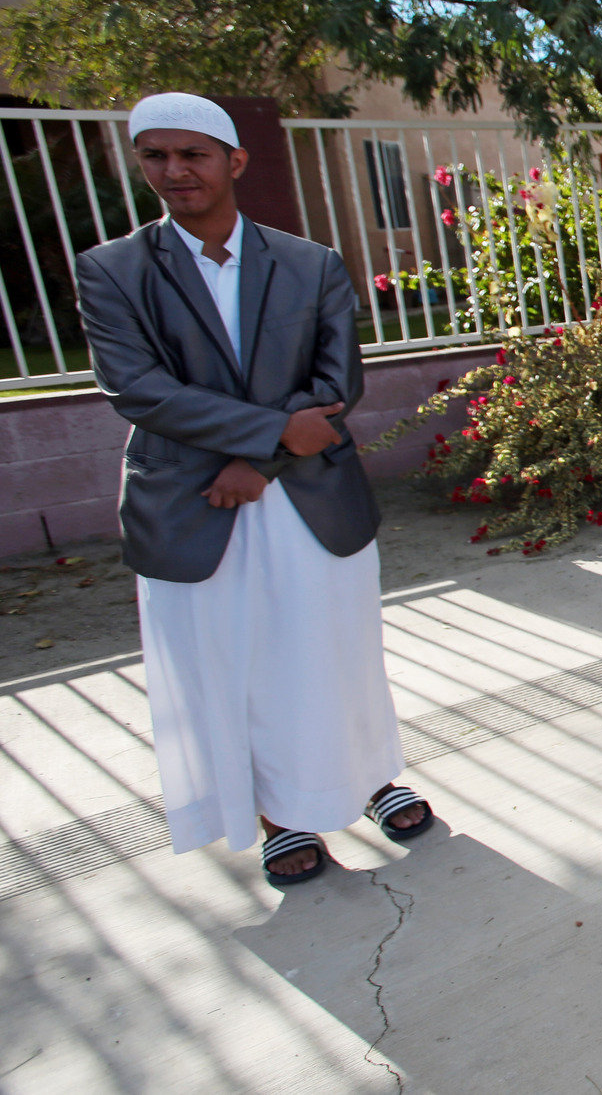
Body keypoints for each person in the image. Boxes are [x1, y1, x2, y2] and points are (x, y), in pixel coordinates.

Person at [73, 93, 431, 890]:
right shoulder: (112, 270)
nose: (175, 170)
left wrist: (260, 462)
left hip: (307, 494)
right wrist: (268, 436)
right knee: (233, 663)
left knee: (336, 650)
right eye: (156, 156)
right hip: (193, 500)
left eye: (192, 154)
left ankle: (372, 777)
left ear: (234, 160)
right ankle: (281, 816)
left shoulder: (310, 263)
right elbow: (135, 388)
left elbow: (334, 383)